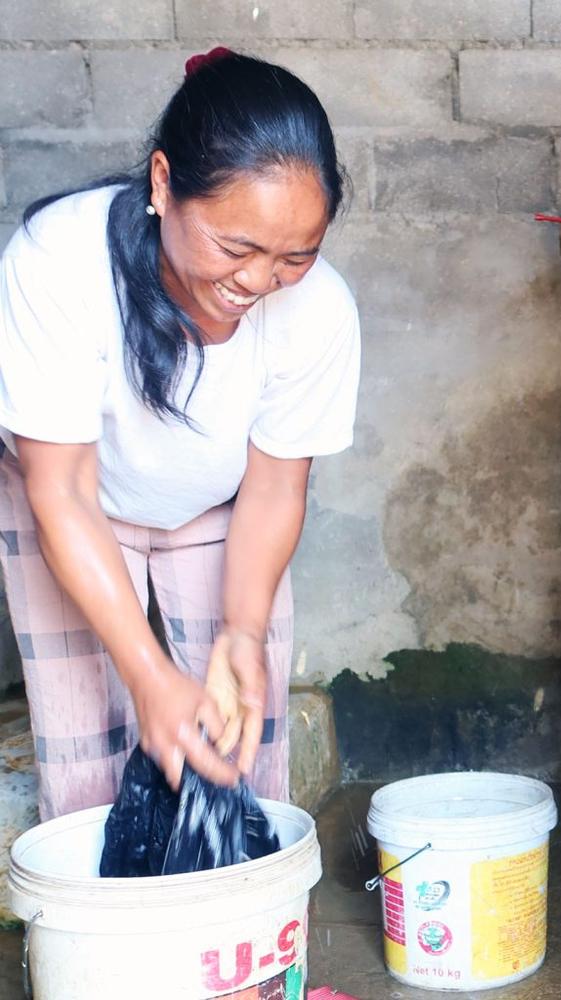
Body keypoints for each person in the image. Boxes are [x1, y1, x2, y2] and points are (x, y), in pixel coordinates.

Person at [0, 48, 360, 821]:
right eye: (236, 248)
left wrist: (242, 629)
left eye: (296, 255)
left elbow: (273, 488)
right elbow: (58, 489)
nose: (260, 281)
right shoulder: (58, 261)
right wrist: (149, 675)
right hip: (75, 504)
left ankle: (245, 933)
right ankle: (105, 934)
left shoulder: (320, 310)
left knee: (240, 741)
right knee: (88, 758)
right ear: (163, 184)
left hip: (217, 509)